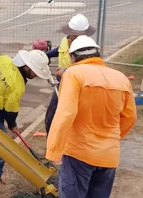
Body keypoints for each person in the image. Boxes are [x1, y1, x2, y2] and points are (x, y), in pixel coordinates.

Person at [46, 35, 137, 198]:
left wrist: (54, 150)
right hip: (109, 155)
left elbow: (66, 113)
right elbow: (130, 117)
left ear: (73, 57)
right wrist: (112, 140)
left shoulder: (73, 74)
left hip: (78, 153)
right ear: (98, 55)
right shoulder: (121, 78)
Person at [0, 50, 51, 192]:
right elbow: (10, 111)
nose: (36, 75)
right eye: (36, 72)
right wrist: (12, 125)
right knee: (3, 144)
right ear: (28, 67)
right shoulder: (18, 85)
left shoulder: (4, 60)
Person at [44, 14, 96, 135]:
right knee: (51, 118)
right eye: (74, 35)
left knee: (70, 118)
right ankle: (51, 143)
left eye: (79, 35)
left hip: (77, 88)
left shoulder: (88, 48)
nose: (76, 38)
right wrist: (46, 54)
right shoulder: (66, 40)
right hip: (62, 84)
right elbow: (59, 49)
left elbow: (87, 69)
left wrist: (66, 71)